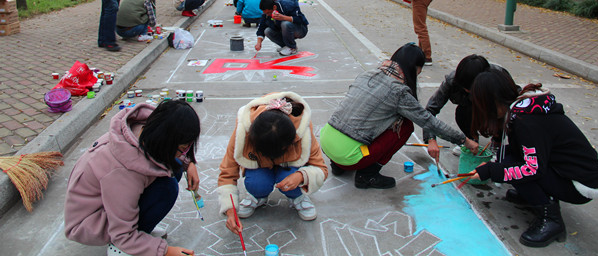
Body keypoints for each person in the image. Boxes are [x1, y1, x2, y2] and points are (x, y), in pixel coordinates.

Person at [469, 69, 598, 248]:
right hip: (566, 169)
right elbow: (522, 150)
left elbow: (532, 169)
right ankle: (532, 196)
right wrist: (494, 163)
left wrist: (491, 170)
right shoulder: (522, 107)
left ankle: (551, 219)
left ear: (493, 102)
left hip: (581, 183)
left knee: (510, 165)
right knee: (506, 158)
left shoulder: (526, 121)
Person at [320, 43, 479, 189]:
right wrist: (464, 140)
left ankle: (337, 165)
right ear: (414, 68)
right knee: (405, 126)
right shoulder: (399, 92)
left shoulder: (368, 74)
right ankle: (367, 175)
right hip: (349, 156)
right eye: (419, 71)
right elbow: (428, 121)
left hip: (326, 143)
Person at [64, 100, 200, 256]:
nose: (185, 152)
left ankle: (139, 230)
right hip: (90, 222)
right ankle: (121, 248)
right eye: (183, 149)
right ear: (165, 141)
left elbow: (165, 152)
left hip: (107, 204)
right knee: (166, 189)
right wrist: (165, 251)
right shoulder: (122, 171)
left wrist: (188, 164)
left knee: (175, 167)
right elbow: (122, 234)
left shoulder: (145, 131)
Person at [218, 92, 328, 233]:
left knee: (290, 179)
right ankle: (258, 196)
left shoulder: (302, 129)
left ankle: (298, 197)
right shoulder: (243, 131)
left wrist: (301, 176)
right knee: (257, 183)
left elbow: (321, 168)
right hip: (260, 168)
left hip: (289, 168)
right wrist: (230, 209)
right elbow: (228, 171)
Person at [424, 55, 511, 161]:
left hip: (492, 110)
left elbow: (516, 102)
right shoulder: (453, 80)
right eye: (465, 88)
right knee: (462, 112)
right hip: (469, 108)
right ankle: (471, 141)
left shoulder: (499, 77)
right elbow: (430, 109)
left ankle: (497, 142)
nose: (468, 91)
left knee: (501, 111)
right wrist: (431, 139)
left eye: (472, 88)